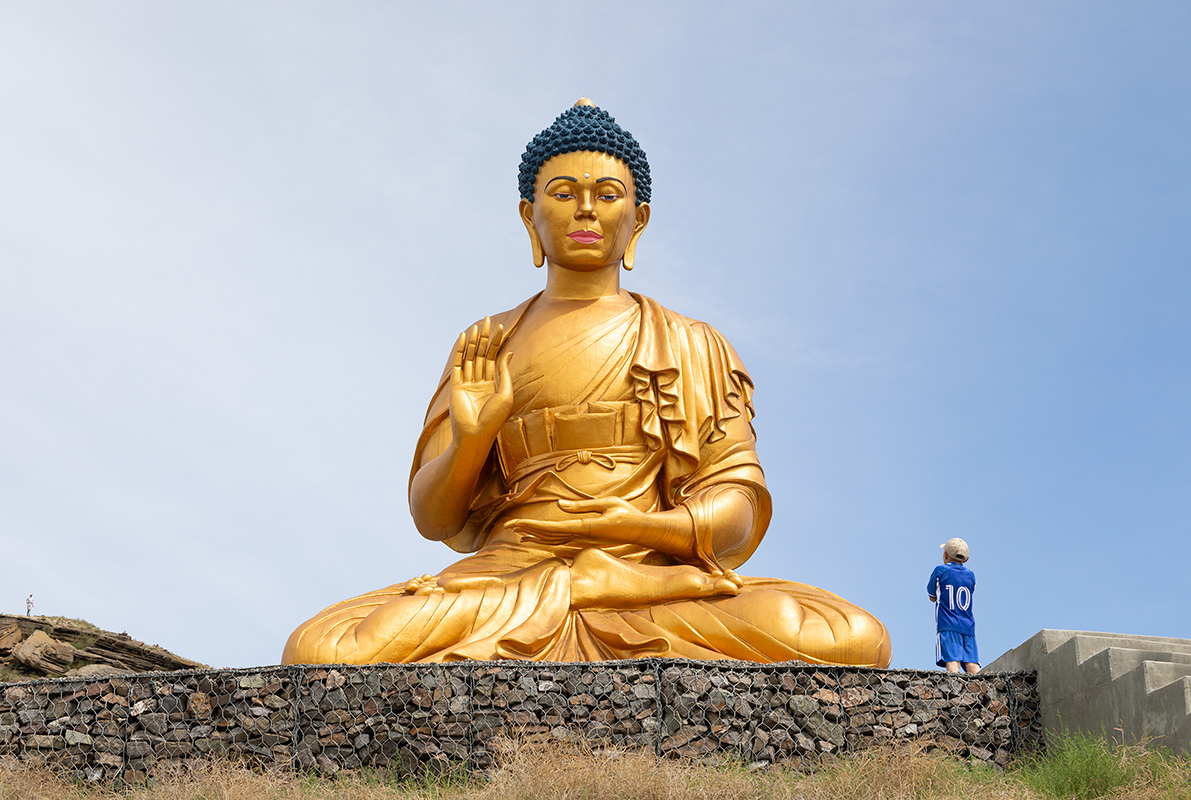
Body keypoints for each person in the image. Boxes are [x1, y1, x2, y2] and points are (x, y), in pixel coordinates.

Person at [282, 99, 891, 667]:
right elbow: (434, 518)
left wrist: (638, 528)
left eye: (607, 194)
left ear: (638, 220)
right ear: (530, 215)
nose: (585, 210)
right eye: (563, 193)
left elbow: (737, 505)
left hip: (649, 577)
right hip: (507, 579)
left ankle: (602, 587)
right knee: (323, 649)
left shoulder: (692, 342)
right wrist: (472, 440)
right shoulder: (488, 342)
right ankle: (577, 592)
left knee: (848, 635)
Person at [927, 538, 979, 673]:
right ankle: (983, 685)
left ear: (945, 554)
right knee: (972, 664)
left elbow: (932, 597)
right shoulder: (971, 575)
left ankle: (954, 686)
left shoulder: (940, 571)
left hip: (948, 625)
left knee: (952, 661)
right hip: (968, 626)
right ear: (966, 559)